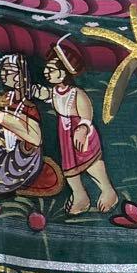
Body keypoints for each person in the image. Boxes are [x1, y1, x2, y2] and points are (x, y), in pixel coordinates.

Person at [34, 38, 118, 214]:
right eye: (47, 69)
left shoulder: (76, 93)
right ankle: (80, 196)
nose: (47, 72)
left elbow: (86, 114)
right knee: (70, 167)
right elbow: (45, 95)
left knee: (91, 162)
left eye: (51, 70)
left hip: (81, 133)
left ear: (64, 73)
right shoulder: (55, 92)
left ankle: (108, 191)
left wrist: (83, 128)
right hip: (65, 135)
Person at [0, 53, 62, 197]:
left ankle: (10, 176)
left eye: (9, 70)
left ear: (21, 76)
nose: (4, 74)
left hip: (23, 157)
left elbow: (35, 138)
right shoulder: (1, 99)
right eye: (3, 70)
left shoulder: (28, 106)